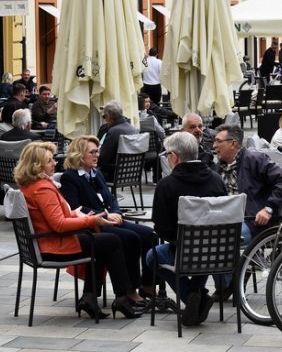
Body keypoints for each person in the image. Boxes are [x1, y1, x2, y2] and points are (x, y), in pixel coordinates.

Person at [17, 141, 141, 320]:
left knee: (101, 240)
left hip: (45, 242)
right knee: (112, 241)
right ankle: (121, 298)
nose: (55, 163)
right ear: (37, 165)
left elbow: (53, 217)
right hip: (53, 246)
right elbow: (58, 224)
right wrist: (90, 220)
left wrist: (75, 214)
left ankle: (90, 297)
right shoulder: (42, 188)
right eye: (50, 161)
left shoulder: (31, 185)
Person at [60, 136, 156, 301]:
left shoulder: (96, 173)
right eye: (92, 152)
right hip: (93, 225)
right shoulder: (70, 177)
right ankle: (130, 290)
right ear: (79, 155)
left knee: (150, 235)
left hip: (111, 219)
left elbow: (112, 198)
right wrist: (105, 214)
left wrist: (116, 212)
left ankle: (147, 285)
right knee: (131, 238)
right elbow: (75, 208)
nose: (97, 155)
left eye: (97, 151)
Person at [148, 132, 226, 325]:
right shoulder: (216, 179)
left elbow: (162, 229)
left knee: (153, 256)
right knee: (205, 245)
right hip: (218, 252)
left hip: (185, 251)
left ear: (174, 156)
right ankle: (198, 295)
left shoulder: (166, 185)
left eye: (167, 155)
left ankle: (191, 293)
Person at [97, 100, 138, 181]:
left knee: (84, 173)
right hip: (132, 172)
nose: (104, 119)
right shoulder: (132, 129)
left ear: (109, 117)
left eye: (104, 116)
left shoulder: (114, 131)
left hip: (114, 173)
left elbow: (103, 158)